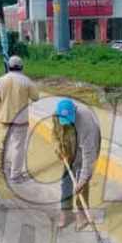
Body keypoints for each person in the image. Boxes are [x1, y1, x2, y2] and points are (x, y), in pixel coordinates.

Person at [50, 98, 101, 229]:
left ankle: (82, 213)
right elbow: (55, 134)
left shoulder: (87, 125)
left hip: (86, 149)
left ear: (74, 113)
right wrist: (58, 147)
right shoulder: (56, 115)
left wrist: (82, 181)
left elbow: (89, 158)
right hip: (69, 147)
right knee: (66, 180)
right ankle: (66, 211)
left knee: (81, 183)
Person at [0, 55, 39, 181]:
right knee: (18, 146)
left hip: (5, 117)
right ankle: (15, 174)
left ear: (9, 66)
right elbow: (35, 97)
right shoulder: (26, 81)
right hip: (20, 120)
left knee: (2, 144)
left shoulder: (1, 80)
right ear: (21, 67)